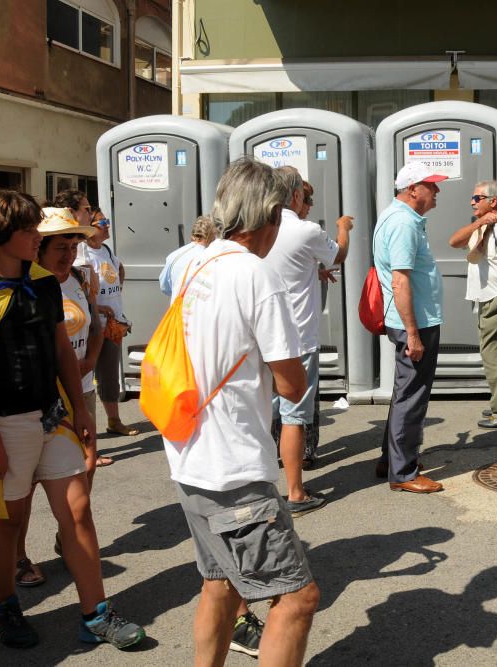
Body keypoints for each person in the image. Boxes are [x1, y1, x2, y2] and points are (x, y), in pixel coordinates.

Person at [0, 188, 144, 650]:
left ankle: (96, 614)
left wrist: (80, 410)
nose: (37, 235)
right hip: (3, 424)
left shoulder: (42, 284)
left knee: (78, 511)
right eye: (27, 229)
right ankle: (5, 606)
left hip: (52, 415)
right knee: (7, 524)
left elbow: (60, 349)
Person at [164, 158, 319, 666]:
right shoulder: (256, 274)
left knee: (221, 585)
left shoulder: (195, 261)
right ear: (269, 215)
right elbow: (292, 382)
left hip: (189, 453)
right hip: (234, 467)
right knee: (296, 598)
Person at [14, 207, 106, 588]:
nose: (69, 254)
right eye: (60, 247)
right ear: (39, 249)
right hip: (40, 398)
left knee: (84, 471)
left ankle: (66, 537)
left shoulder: (81, 279)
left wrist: (90, 360)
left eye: (73, 245)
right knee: (27, 486)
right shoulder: (28, 285)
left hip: (81, 392)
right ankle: (18, 557)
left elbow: (97, 323)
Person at [267, 167, 354, 514]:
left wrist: (310, 270)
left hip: (262, 337)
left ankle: (260, 489)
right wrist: (342, 229)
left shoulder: (259, 229)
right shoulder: (305, 230)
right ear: (296, 196)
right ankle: (295, 492)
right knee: (294, 416)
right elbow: (340, 254)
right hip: (297, 339)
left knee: (264, 413)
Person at [373, 162, 448, 494]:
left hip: (411, 321)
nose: (437, 191)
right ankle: (402, 472)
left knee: (405, 393)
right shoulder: (403, 223)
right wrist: (414, 334)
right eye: (432, 186)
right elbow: (400, 281)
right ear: (413, 189)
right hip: (413, 324)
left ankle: (393, 459)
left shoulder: (400, 218)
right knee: (411, 397)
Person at [448, 180, 497, 429]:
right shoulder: (487, 224)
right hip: (490, 298)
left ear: (493, 202)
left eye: (477, 198)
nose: (472, 202)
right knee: (494, 355)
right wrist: (479, 222)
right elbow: (454, 241)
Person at [71, 203, 139, 436]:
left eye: (107, 222)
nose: (107, 226)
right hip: (91, 327)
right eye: (102, 223)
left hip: (112, 325)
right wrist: (97, 307)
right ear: (90, 227)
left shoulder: (106, 250)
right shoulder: (81, 251)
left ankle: (114, 421)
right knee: (86, 379)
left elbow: (119, 268)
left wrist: (117, 289)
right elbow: (78, 288)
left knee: (109, 375)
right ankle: (86, 432)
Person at [159, 214, 217, 297]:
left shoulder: (173, 256)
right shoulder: (211, 258)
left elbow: (164, 287)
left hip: (178, 306)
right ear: (212, 236)